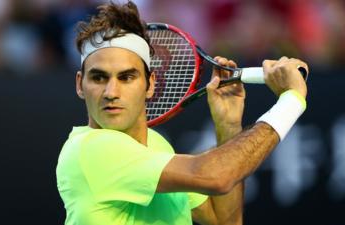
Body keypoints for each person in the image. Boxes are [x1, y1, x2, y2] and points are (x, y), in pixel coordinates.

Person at [56, 1, 309, 225]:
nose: (111, 91)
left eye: (127, 77)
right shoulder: (89, 150)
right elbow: (217, 177)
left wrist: (228, 125)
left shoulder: (156, 146)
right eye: (99, 78)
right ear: (80, 84)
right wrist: (291, 101)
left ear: (150, 84)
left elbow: (225, 220)